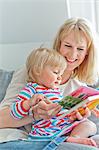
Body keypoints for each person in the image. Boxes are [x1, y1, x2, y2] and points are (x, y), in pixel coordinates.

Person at [0, 17, 99, 149]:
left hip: (58, 135)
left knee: (90, 125)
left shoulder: (79, 87)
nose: (72, 54)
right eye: (68, 46)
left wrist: (77, 117)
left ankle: (70, 140)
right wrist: (34, 115)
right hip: (23, 137)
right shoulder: (34, 71)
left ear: (87, 53)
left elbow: (65, 121)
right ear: (59, 44)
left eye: (80, 49)